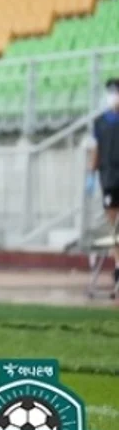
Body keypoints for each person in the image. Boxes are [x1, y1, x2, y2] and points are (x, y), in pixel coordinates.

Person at [87, 78, 119, 297]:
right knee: (113, 227)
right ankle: (118, 268)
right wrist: (91, 174)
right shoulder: (100, 123)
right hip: (108, 178)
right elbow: (96, 149)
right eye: (111, 92)